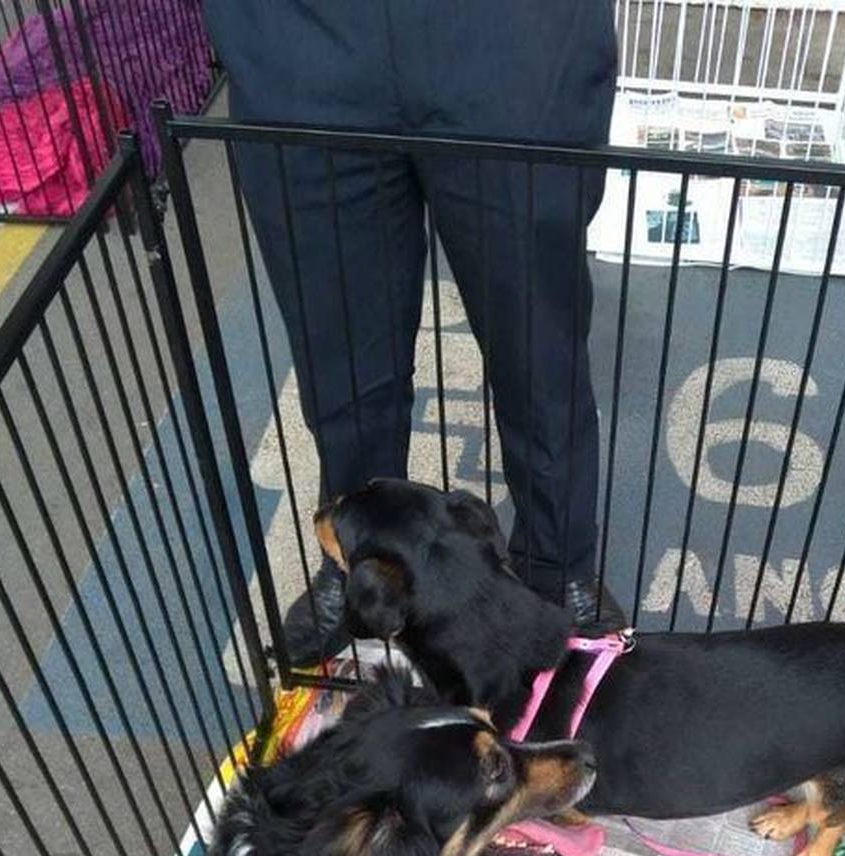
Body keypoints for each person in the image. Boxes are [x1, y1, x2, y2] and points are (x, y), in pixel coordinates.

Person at [201, 0, 624, 664]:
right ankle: (362, 555)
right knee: (340, 354)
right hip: (301, 40)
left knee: (539, 347)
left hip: (512, 40)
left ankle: (557, 562)